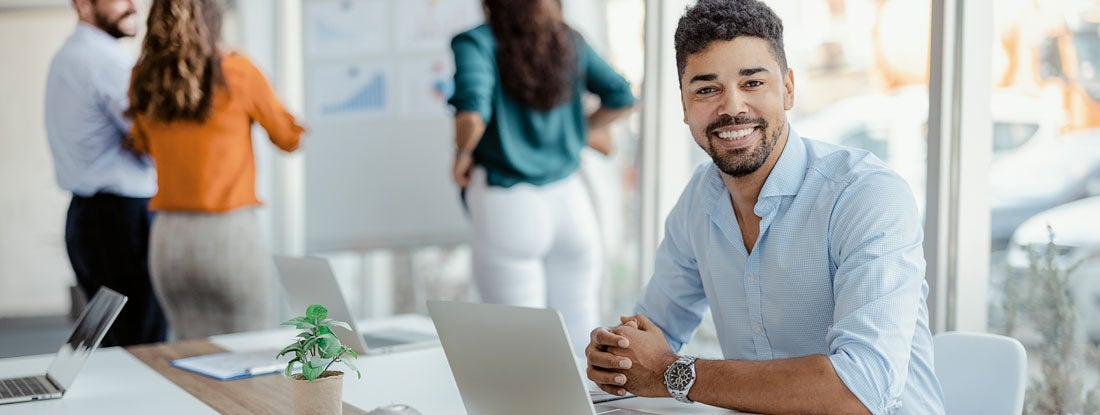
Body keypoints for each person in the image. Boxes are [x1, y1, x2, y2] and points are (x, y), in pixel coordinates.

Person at [584, 1, 944, 414]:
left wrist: (671, 373)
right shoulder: (698, 203)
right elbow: (651, 335)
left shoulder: (865, 195)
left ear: (788, 89)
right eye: (706, 89)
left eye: (752, 83)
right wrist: (618, 355)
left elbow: (860, 390)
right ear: (684, 107)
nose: (732, 107)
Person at [448, 0, 635, 356]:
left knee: (520, 346)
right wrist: (578, 130)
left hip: (508, 203)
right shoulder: (567, 39)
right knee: (583, 338)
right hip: (571, 203)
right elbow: (622, 95)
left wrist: (461, 155)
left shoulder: (476, 42)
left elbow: (472, 116)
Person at [127, 0, 304, 339]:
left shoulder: (143, 77)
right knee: (248, 351)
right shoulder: (237, 72)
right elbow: (288, 139)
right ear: (214, 18)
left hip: (170, 240)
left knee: (186, 351)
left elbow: (141, 143)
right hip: (228, 237)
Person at [44, 0, 168, 347]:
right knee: (142, 347)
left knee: (117, 344)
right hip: (120, 222)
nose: (132, 6)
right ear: (83, 6)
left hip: (90, 218)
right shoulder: (107, 61)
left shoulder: (69, 55)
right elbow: (154, 142)